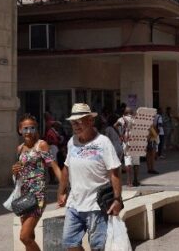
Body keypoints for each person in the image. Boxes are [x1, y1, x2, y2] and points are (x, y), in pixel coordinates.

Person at [58, 103, 123, 250]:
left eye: (80, 121)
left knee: (98, 246)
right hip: (74, 204)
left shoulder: (103, 143)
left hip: (96, 205)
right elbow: (66, 168)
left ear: (90, 121)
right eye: (73, 122)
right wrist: (61, 192)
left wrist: (118, 199)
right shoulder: (72, 142)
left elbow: (114, 172)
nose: (76, 125)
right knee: (70, 243)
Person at [12, 114, 64, 251]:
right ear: (20, 130)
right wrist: (15, 170)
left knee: (24, 237)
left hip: (37, 196)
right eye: (25, 128)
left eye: (32, 128)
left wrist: (63, 189)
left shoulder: (41, 145)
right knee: (30, 237)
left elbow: (54, 166)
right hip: (23, 197)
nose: (28, 132)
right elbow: (19, 174)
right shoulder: (19, 148)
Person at [115, 107, 140, 186]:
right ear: (131, 112)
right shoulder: (136, 119)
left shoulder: (122, 119)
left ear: (125, 113)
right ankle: (136, 180)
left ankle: (129, 181)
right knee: (136, 162)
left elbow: (115, 125)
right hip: (136, 141)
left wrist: (120, 134)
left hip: (127, 141)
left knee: (127, 160)